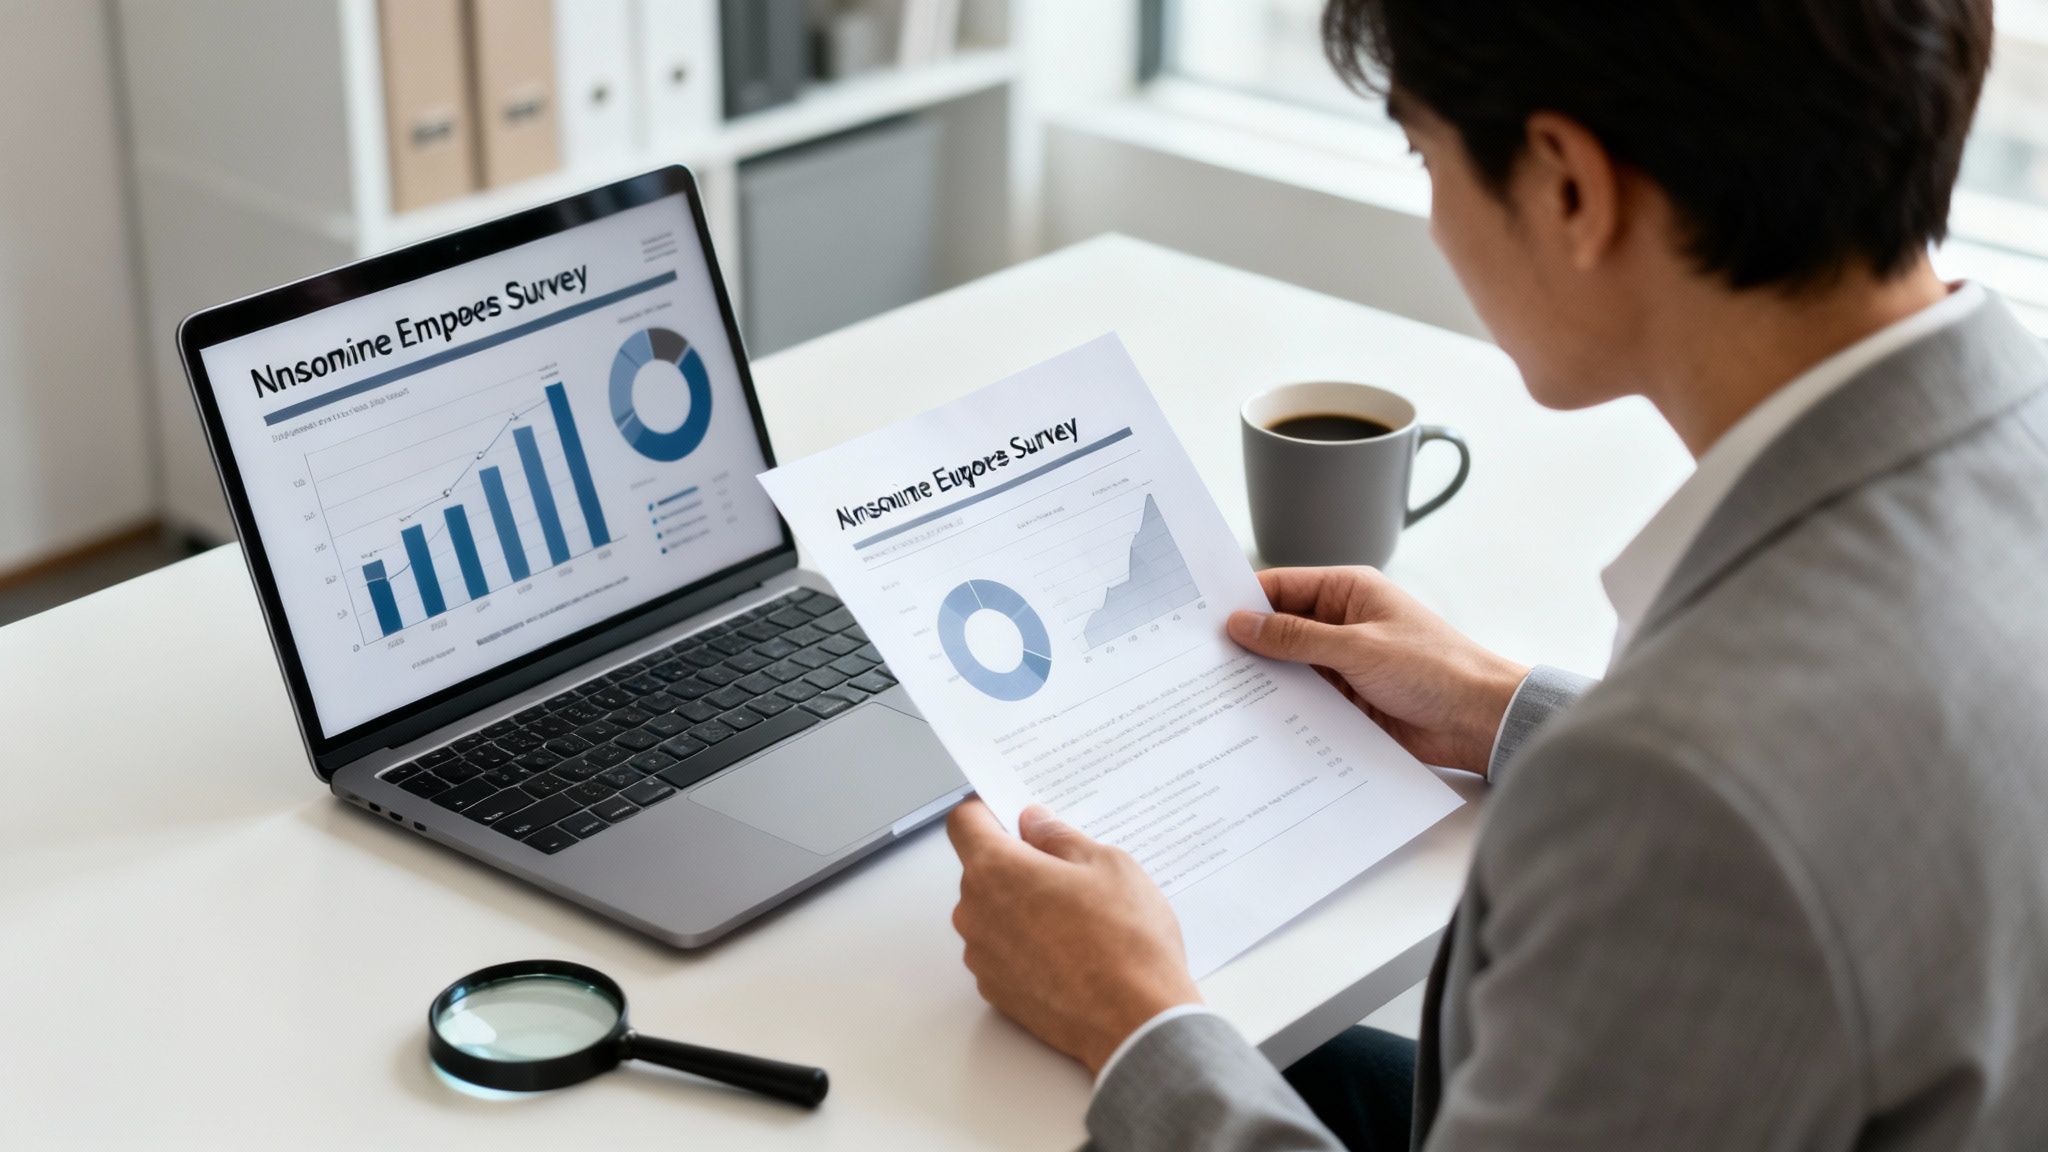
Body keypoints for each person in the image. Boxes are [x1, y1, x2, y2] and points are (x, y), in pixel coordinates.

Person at [945, 0, 2048, 1148]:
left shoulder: (1683, 798)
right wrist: (1499, 707)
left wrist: (1126, 1011)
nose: (1434, 220)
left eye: (1426, 159)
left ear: (1568, 187)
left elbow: (1729, 804)